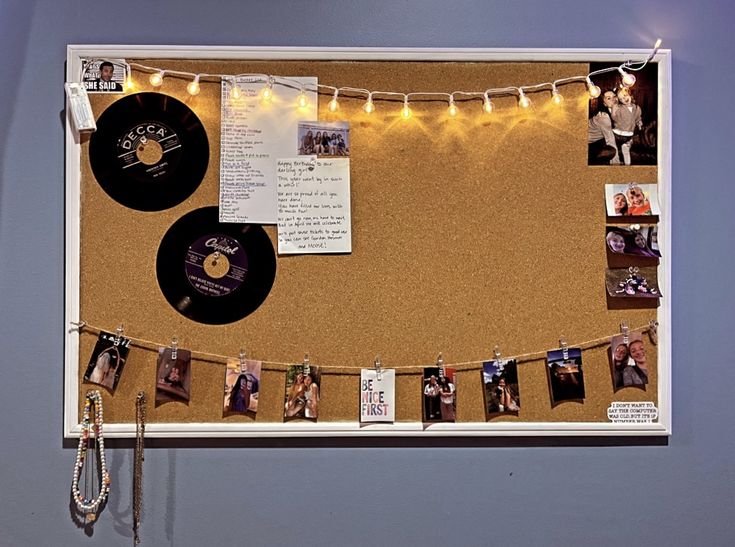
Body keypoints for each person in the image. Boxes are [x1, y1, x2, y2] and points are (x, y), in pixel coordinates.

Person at [612, 87, 643, 165]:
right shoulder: (619, 108)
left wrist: (639, 122)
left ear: (630, 94)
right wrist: (613, 110)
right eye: (621, 99)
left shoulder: (637, 108)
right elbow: (614, 118)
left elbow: (638, 118)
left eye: (625, 95)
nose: (624, 99)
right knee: (614, 153)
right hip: (616, 134)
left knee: (626, 151)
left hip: (628, 135)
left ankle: (627, 167)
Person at [588, 90, 620, 165]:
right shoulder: (603, 117)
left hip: (598, 139)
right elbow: (610, 140)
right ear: (604, 104)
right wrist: (616, 164)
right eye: (608, 98)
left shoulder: (620, 110)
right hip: (586, 143)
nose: (613, 99)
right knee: (612, 151)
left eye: (614, 96)